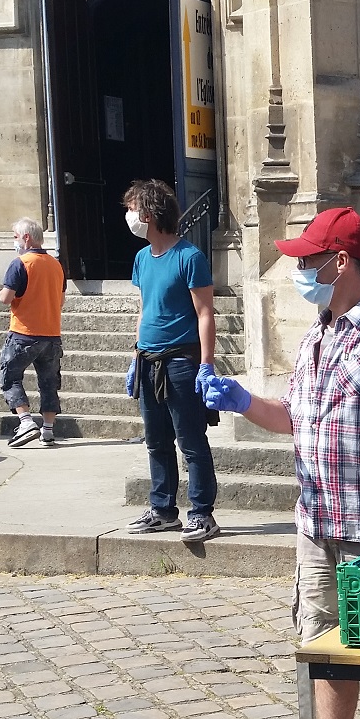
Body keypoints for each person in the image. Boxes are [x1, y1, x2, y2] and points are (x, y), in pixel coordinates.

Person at [199, 206, 360, 719]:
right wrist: (242, 401)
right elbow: (294, 417)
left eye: (307, 259)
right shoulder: (315, 336)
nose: (298, 270)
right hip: (314, 527)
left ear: (338, 262)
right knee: (323, 654)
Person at [122, 180, 220, 544]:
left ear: (148, 214)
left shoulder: (189, 257)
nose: (128, 216)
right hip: (149, 360)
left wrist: (206, 365)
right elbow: (145, 308)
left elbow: (205, 312)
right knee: (155, 440)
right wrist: (136, 354)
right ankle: (163, 510)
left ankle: (202, 513)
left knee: (191, 440)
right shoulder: (142, 259)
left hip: (181, 361)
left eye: (131, 209)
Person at [0, 218, 65, 447]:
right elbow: (61, 300)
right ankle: (48, 430)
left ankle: (25, 421)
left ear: (26, 237)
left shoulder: (21, 263)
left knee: (10, 376)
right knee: (49, 382)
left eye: (15, 236)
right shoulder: (56, 265)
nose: (14, 241)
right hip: (51, 333)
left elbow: (6, 298)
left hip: (24, 332)